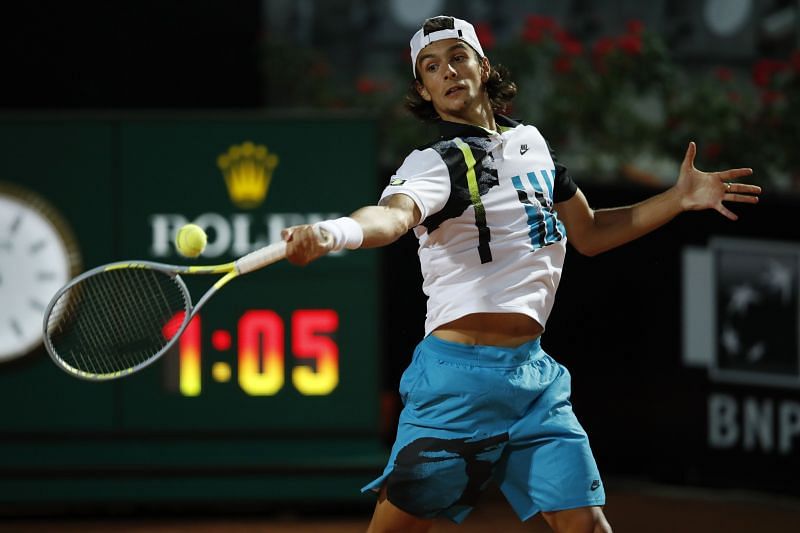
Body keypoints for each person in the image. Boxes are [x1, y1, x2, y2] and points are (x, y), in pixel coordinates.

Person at [282, 15, 761, 533]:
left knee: (586, 526)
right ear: (423, 88)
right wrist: (336, 234)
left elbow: (592, 232)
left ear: (482, 67)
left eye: (457, 57)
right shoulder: (435, 163)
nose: (448, 72)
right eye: (431, 67)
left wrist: (678, 198)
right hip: (456, 384)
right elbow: (392, 217)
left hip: (533, 382)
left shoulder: (531, 143)